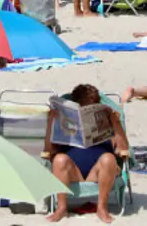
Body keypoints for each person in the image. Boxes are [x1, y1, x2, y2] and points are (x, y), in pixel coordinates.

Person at [45, 84, 129, 224]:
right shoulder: (63, 121)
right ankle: (61, 207)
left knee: (108, 159)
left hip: (98, 173)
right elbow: (48, 150)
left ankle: (101, 207)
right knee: (59, 159)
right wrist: (51, 122)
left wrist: (116, 122)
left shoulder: (108, 121)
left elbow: (123, 148)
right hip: (72, 172)